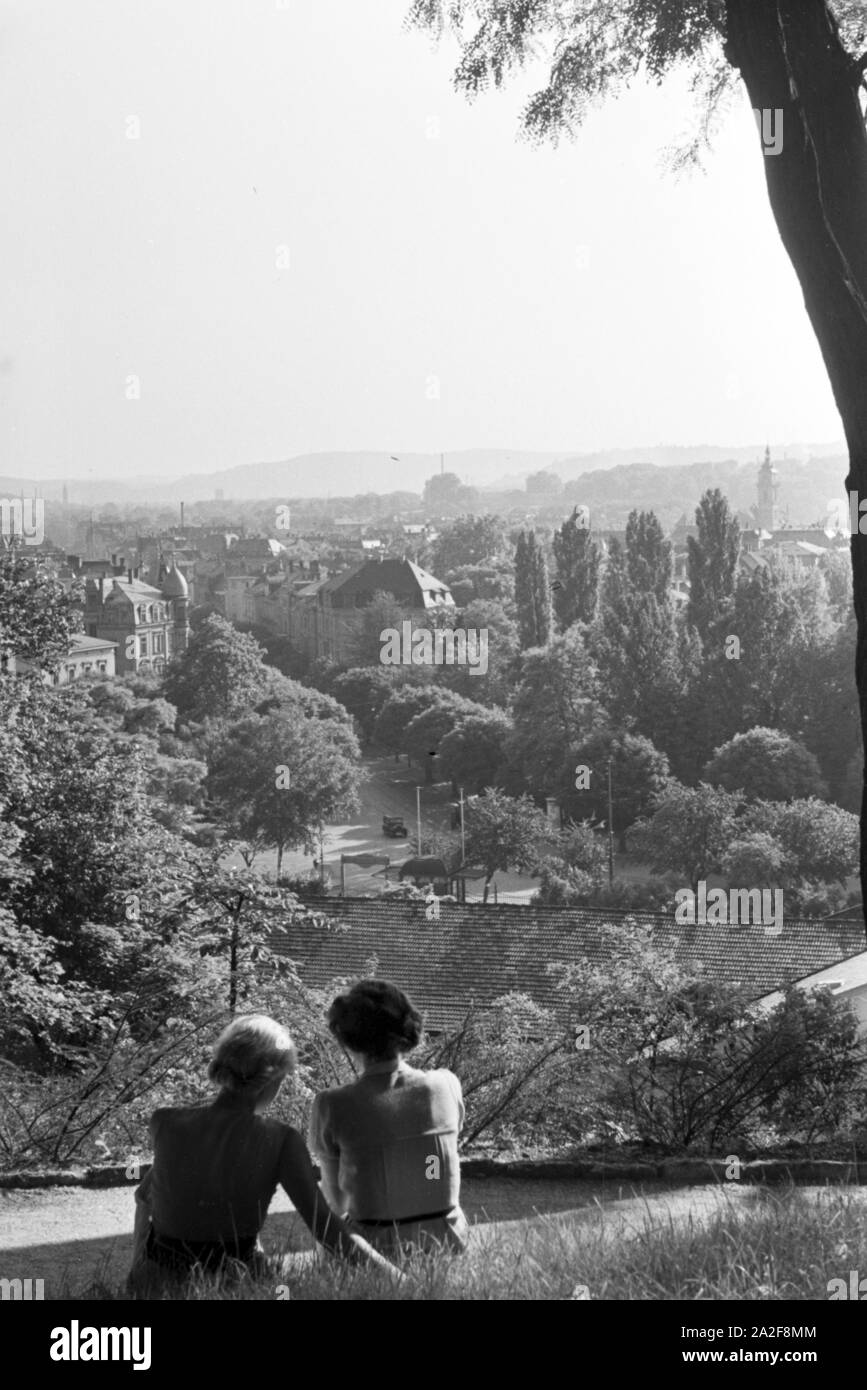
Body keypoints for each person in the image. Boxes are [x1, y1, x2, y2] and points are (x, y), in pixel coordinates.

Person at [128, 1014, 402, 1293]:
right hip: (233, 1284)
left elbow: (150, 1197)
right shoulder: (279, 1139)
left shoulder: (164, 1123)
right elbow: (327, 1229)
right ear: (271, 1080)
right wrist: (400, 1280)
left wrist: (136, 1270)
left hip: (157, 1281)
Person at [309, 980, 469, 1258]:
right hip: (448, 1242)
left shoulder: (332, 1104)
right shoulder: (447, 1084)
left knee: (328, 1235)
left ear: (347, 1038)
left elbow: (338, 1202)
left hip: (376, 1249)